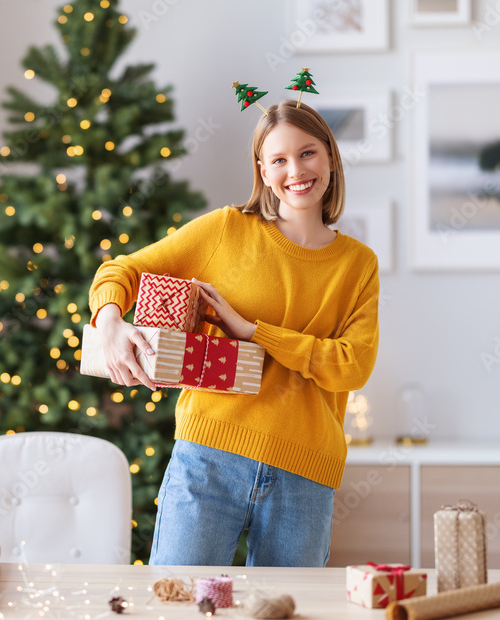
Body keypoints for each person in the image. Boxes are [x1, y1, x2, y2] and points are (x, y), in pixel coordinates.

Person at [87, 100, 379, 567]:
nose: (296, 170)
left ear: (329, 157)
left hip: (305, 471)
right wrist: (107, 321)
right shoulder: (227, 230)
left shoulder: (357, 264)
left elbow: (353, 365)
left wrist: (254, 332)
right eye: (279, 159)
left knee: (287, 613)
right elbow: (122, 269)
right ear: (263, 172)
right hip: (209, 456)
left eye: (308, 153)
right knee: (178, 606)